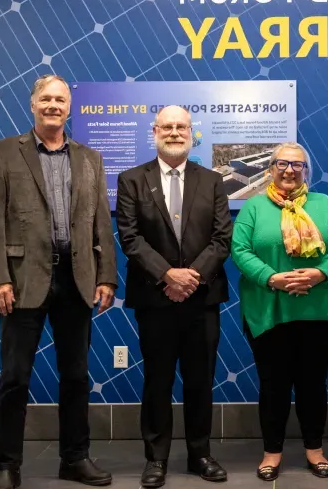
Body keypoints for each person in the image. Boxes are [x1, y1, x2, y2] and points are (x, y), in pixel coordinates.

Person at [0, 74, 118, 488]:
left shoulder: (90, 159)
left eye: (60, 99)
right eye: (46, 99)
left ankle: (74, 459)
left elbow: (100, 224)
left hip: (77, 280)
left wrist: (106, 273)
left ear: (69, 108)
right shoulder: (3, 153)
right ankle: (7, 465)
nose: (53, 105)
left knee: (76, 376)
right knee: (15, 376)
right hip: (21, 282)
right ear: (33, 105)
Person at [115, 105, 232, 488]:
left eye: (182, 126)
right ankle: (156, 459)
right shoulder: (132, 180)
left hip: (202, 298)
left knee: (201, 380)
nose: (175, 132)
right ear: (155, 131)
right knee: (157, 380)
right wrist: (167, 275)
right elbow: (130, 239)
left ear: (191, 132)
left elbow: (221, 238)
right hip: (155, 298)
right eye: (167, 126)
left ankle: (200, 454)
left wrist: (190, 278)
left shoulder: (213, 180)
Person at [230, 142, 328, 482]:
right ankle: (272, 452)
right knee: (274, 385)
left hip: (318, 308)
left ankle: (315, 449)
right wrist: (272, 278)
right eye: (282, 164)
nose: (289, 170)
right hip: (268, 308)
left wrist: (320, 273)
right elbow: (239, 250)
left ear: (306, 172)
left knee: (313, 383)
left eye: (297, 165)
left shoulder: (324, 204)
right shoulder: (253, 207)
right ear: (270, 169)